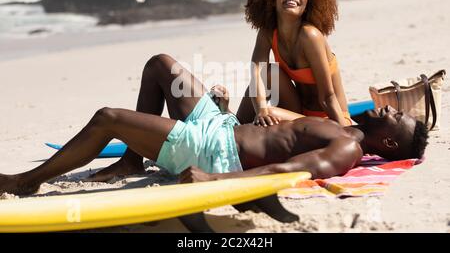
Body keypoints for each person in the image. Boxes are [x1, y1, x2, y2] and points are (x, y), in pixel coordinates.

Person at [0, 55, 428, 196]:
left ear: (388, 140)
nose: (387, 108)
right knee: (160, 66)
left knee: (107, 119)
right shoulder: (343, 126)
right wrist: (228, 110)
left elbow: (289, 171)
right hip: (220, 125)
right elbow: (270, 133)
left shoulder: (347, 151)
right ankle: (132, 160)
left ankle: (27, 181)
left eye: (395, 116)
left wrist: (214, 178)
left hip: (213, 151)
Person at [236, 0, 352, 127]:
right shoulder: (268, 33)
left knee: (269, 112)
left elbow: (328, 97)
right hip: (298, 112)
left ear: (307, 4)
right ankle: (233, 127)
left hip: (330, 118)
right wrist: (261, 109)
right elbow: (258, 75)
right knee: (269, 72)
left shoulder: (310, 35)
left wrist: (346, 133)